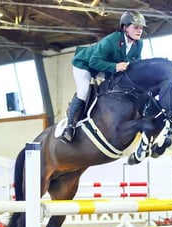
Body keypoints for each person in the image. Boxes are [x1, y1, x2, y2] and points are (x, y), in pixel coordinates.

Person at [60, 10, 146, 143]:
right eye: (136, 27)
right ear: (125, 27)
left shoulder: (138, 44)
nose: (139, 31)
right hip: (84, 64)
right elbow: (94, 62)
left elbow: (135, 64)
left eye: (141, 28)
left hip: (105, 67)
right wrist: (116, 67)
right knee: (84, 91)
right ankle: (69, 127)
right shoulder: (112, 40)